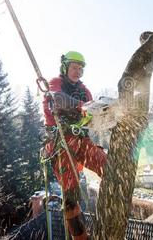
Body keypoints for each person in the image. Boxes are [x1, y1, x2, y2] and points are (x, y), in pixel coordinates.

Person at [43, 51, 107, 239]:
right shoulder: (56, 82)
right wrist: (82, 106)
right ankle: (81, 237)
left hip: (82, 141)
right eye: (74, 67)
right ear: (65, 67)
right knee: (70, 196)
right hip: (61, 143)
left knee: (109, 169)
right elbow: (56, 98)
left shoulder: (85, 90)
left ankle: (110, 211)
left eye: (80, 68)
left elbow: (91, 115)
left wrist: (102, 113)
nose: (78, 71)